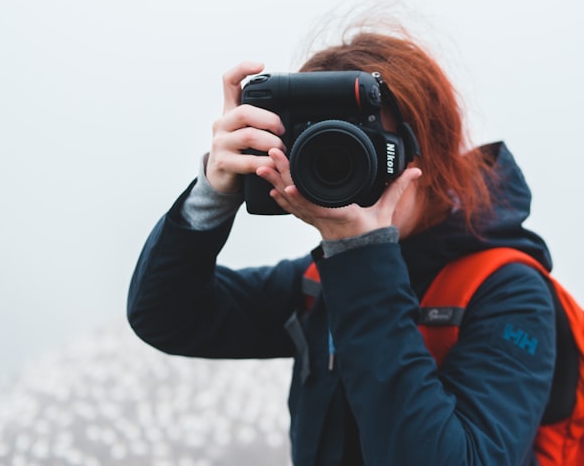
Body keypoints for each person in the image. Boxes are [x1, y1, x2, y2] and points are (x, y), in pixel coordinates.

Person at [127, 28, 557, 465]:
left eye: (363, 147)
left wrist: (361, 251)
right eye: (318, 146)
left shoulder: (509, 295)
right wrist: (213, 194)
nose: (340, 169)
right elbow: (168, 316)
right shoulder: (322, 282)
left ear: (427, 150)